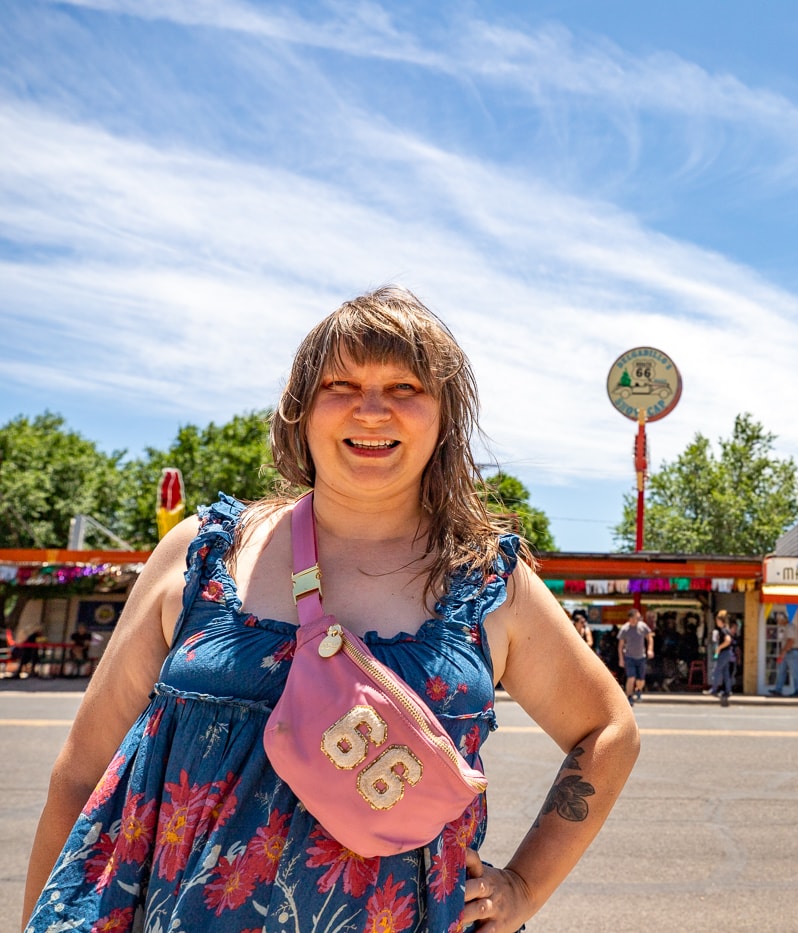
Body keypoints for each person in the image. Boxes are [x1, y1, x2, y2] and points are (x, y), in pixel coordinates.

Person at [22, 286, 640, 933]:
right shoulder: (202, 556)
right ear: (300, 410)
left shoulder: (489, 584)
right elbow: (81, 775)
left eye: (405, 387)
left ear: (443, 416)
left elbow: (608, 730)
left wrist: (524, 885)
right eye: (341, 384)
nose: (372, 410)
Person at [618, 607, 653, 705]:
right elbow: (620, 645)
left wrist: (650, 649)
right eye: (636, 617)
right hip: (629, 657)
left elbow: (650, 638)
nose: (637, 619)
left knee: (641, 680)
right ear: (631, 618)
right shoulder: (625, 629)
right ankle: (629, 696)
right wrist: (621, 659)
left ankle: (638, 689)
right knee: (631, 677)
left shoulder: (643, 626)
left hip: (641, 656)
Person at [769, 610, 798, 696]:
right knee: (781, 671)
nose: (778, 622)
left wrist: (783, 652)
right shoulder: (786, 627)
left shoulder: (790, 627)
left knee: (795, 672)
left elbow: (790, 641)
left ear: (783, 619)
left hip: (791, 651)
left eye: (778, 619)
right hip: (787, 652)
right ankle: (778, 689)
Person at [708, 610, 735, 705]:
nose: (716, 622)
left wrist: (719, 647)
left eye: (717, 620)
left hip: (723, 653)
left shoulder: (723, 630)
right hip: (727, 653)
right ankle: (728, 690)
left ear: (720, 621)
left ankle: (714, 689)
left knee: (717, 670)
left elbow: (728, 640)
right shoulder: (726, 629)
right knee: (726, 672)